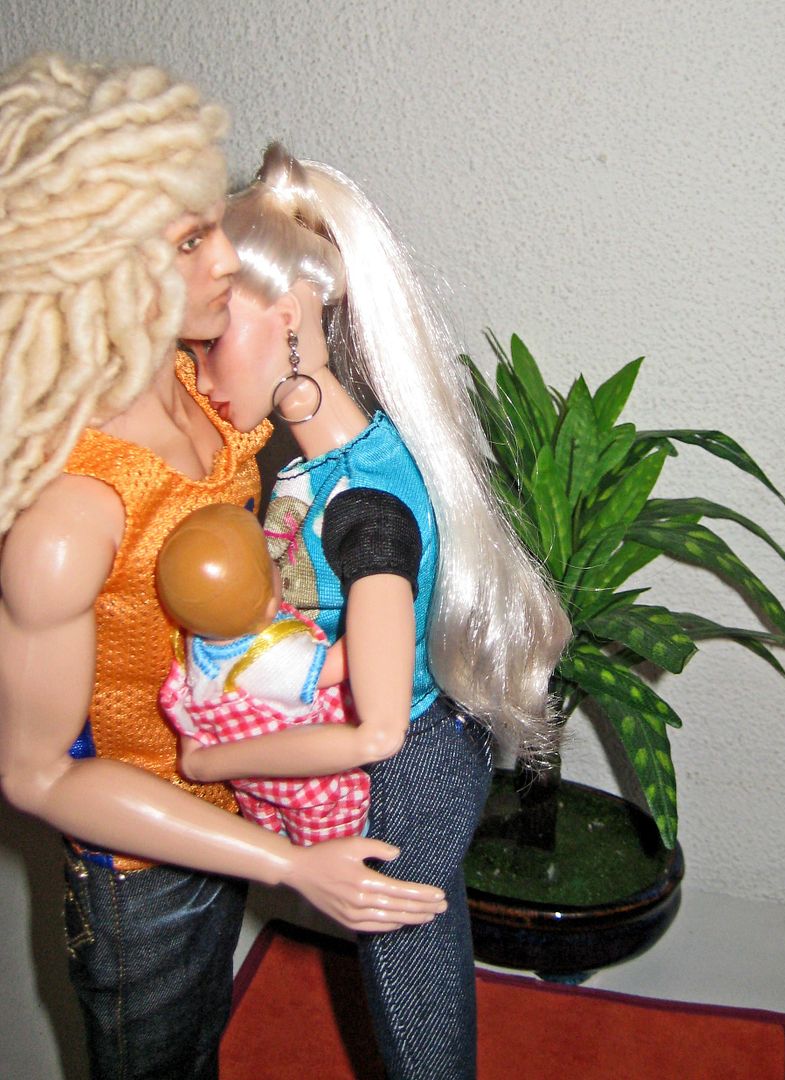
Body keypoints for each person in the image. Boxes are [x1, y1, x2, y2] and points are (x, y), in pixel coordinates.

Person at [0, 55, 445, 1080]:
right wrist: (289, 866)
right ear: (102, 271)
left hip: (237, 791)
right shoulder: (71, 521)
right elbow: (35, 773)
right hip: (143, 868)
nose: (226, 257)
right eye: (192, 240)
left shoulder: (191, 382)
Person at [192, 143, 572, 1079]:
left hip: (408, 771)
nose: (199, 373)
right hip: (419, 751)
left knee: (413, 1012)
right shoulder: (344, 458)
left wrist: (207, 760)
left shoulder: (364, 509)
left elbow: (376, 728)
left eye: (211, 340)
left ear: (288, 320)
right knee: (421, 983)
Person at [157, 502, 370, 843]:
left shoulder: (197, 645)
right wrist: (373, 608)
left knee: (268, 826)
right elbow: (339, 664)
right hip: (308, 785)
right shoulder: (275, 658)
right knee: (330, 828)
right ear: (271, 603)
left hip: (252, 781)